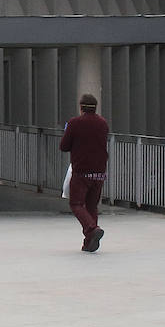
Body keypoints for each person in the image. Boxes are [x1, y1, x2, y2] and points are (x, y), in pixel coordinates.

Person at [59, 93, 109, 252]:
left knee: (76, 203)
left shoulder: (74, 123)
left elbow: (64, 146)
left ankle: (92, 229)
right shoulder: (103, 123)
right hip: (99, 172)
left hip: (82, 171)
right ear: (95, 107)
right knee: (92, 206)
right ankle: (89, 242)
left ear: (81, 107)